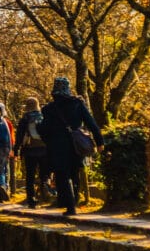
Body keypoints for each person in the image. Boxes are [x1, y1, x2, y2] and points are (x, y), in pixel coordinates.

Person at [38, 77, 103, 216]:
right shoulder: (77, 104)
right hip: (75, 146)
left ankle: (70, 205)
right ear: (68, 89)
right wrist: (99, 142)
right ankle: (75, 199)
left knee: (63, 175)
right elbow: (91, 123)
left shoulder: (49, 109)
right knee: (74, 172)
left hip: (58, 147)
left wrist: (43, 133)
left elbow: (44, 130)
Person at [14, 96, 48, 207]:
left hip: (29, 150)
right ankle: (44, 192)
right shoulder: (43, 116)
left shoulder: (25, 119)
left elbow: (19, 136)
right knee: (44, 173)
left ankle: (31, 199)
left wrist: (16, 151)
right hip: (44, 149)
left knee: (30, 176)